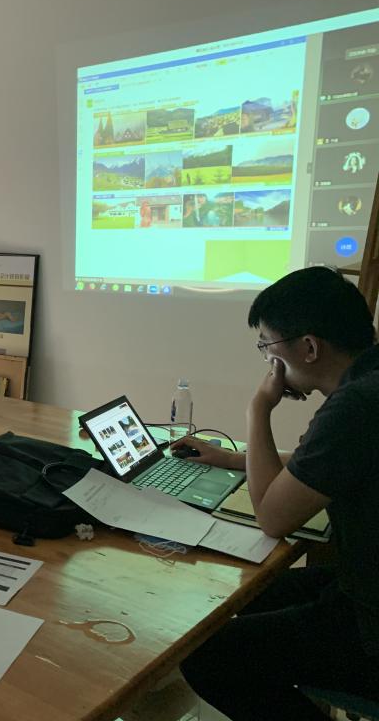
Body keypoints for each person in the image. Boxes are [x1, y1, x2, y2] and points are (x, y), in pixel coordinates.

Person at [176, 267, 379, 720]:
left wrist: (258, 408)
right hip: (362, 583)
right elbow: (321, 463)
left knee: (208, 657)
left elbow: (272, 517)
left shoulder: (354, 408)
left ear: (308, 348)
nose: (267, 359)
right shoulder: (369, 382)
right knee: (250, 595)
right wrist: (234, 458)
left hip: (370, 627)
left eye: (267, 345)